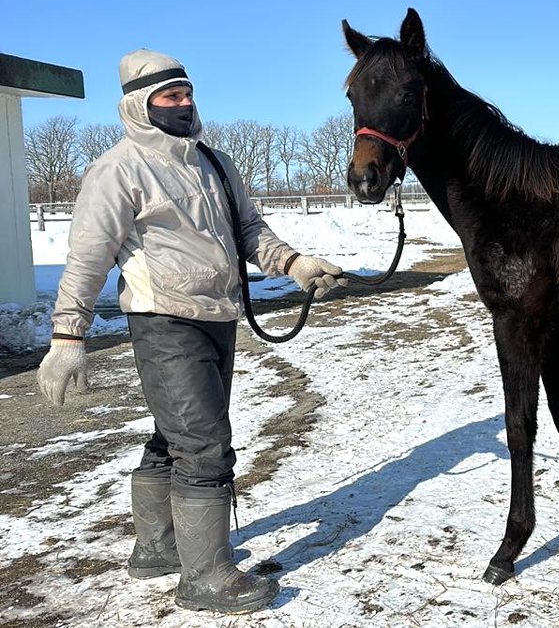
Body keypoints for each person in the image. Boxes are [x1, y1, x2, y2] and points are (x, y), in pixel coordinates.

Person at [35, 49, 346, 614]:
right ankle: (205, 578)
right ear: (138, 104)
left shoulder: (215, 162)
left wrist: (294, 263)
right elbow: (86, 258)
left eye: (186, 93)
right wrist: (67, 338)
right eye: (168, 97)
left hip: (217, 318)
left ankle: (158, 548)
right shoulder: (119, 169)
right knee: (204, 445)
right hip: (164, 319)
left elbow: (250, 230)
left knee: (174, 435)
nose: (183, 104)